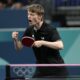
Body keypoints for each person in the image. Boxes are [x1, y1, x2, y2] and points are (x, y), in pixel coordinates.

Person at [12, 4, 68, 78]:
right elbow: (18, 48)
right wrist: (15, 40)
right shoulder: (30, 30)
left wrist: (42, 42)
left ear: (40, 16)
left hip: (56, 69)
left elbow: (60, 45)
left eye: (32, 14)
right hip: (41, 68)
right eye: (28, 14)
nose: (29, 16)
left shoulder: (50, 29)